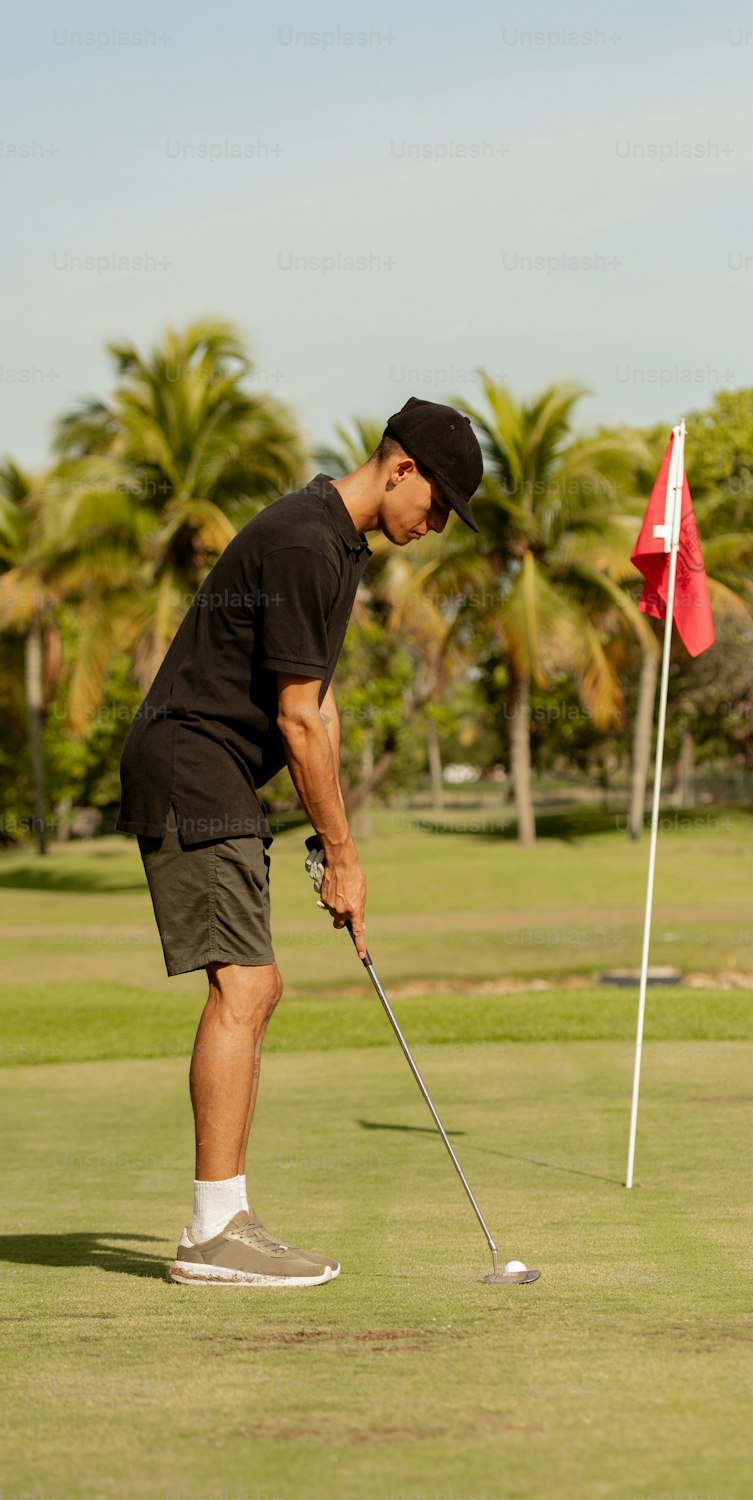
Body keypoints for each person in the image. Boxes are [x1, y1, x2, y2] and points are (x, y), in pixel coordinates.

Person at [116, 397, 483, 1287]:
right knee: (246, 984)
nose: (434, 527)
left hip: (219, 772)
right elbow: (295, 716)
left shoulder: (335, 544)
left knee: (256, 985)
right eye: (436, 505)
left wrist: (331, 837)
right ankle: (213, 1232)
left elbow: (321, 706)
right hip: (191, 764)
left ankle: (228, 1215)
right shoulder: (305, 540)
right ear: (400, 469)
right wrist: (346, 855)